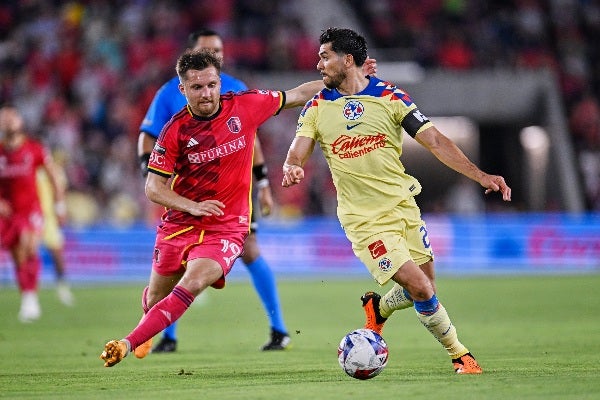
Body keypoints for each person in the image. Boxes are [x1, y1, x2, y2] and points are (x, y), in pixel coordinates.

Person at [281, 27, 512, 374]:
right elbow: (297, 152)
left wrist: (481, 175)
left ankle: (379, 310)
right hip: (364, 220)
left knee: (426, 288)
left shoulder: (392, 98)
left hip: (403, 207)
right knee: (420, 287)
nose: (318, 64)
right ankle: (460, 355)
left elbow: (434, 140)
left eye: (325, 56)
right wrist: (292, 167)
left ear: (347, 60)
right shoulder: (316, 107)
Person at [99, 49, 329, 367]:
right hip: (180, 222)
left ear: (219, 81)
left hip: (228, 225)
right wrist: (192, 206)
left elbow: (298, 94)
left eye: (211, 84)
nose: (206, 93)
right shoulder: (174, 130)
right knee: (155, 300)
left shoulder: (246, 105)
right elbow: (153, 188)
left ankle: (126, 342)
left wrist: (344, 80)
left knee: (192, 283)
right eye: (197, 87)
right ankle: (148, 325)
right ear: (183, 90)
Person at [137, 29, 290, 352]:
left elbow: (253, 137)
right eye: (209, 50)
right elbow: (149, 134)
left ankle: (279, 329)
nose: (216, 55)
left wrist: (262, 182)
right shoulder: (169, 93)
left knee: (249, 250)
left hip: (234, 194)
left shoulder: (236, 88)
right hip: (187, 196)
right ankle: (166, 334)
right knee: (172, 272)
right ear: (192, 54)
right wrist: (150, 172)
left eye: (219, 49)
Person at [0, 105, 66, 322]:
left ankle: (31, 298)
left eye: (12, 117)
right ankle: (28, 297)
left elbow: (54, 176)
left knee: (28, 246)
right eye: (4, 118)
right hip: (8, 214)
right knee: (18, 255)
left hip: (31, 210)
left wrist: (59, 206)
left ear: (20, 122)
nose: (8, 121)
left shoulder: (35, 149)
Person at [36, 164, 75, 307]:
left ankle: (62, 288)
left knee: (57, 253)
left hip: (48, 217)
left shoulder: (52, 168)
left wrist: (60, 209)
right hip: (30, 214)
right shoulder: (27, 165)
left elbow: (60, 190)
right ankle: (30, 294)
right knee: (27, 254)